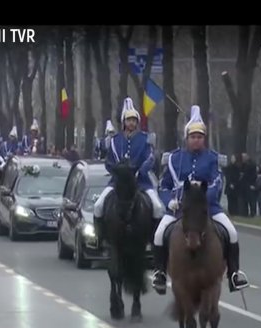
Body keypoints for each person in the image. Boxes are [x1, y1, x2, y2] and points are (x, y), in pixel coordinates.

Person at [151, 105, 249, 294]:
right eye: (193, 137)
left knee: (232, 232)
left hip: (208, 207)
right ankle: (160, 273)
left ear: (204, 139)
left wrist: (202, 199)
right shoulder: (174, 159)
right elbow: (164, 185)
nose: (196, 140)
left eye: (200, 137)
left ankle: (234, 275)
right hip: (178, 207)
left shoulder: (213, 158)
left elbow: (217, 182)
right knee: (159, 234)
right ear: (186, 138)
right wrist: (169, 200)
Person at [92, 97, 164, 247]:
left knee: (157, 207)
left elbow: (150, 158)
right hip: (118, 183)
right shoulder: (114, 140)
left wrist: (139, 172)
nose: (131, 123)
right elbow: (109, 161)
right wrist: (117, 173)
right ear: (123, 122)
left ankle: (154, 241)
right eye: (128, 120)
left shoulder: (146, 139)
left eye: (134, 120)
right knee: (98, 206)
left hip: (141, 182)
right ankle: (101, 238)